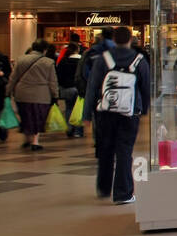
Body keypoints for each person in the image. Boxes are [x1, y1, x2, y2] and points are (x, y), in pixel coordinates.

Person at [85, 24, 151, 204]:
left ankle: (103, 187)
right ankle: (123, 193)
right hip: (129, 113)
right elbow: (146, 88)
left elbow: (92, 87)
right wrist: (144, 109)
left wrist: (86, 115)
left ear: (113, 40)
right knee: (124, 150)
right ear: (130, 39)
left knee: (105, 149)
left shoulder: (102, 59)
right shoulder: (139, 60)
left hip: (105, 112)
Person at [9, 40, 59, 151]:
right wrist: (55, 95)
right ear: (45, 49)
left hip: (22, 93)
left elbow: (13, 78)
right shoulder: (48, 62)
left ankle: (27, 139)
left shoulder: (21, 59)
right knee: (38, 117)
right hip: (41, 95)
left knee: (26, 116)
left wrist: (8, 91)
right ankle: (35, 142)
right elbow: (52, 81)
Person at [77, 27, 115, 156]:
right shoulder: (120, 51)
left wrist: (86, 114)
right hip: (116, 93)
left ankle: (99, 143)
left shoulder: (92, 53)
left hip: (98, 93)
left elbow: (86, 74)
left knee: (98, 119)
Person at [57, 36, 85, 139]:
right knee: (79, 109)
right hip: (79, 89)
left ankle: (69, 127)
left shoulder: (63, 62)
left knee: (69, 108)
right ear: (77, 49)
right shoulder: (82, 61)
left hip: (67, 88)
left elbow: (59, 75)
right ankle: (78, 131)